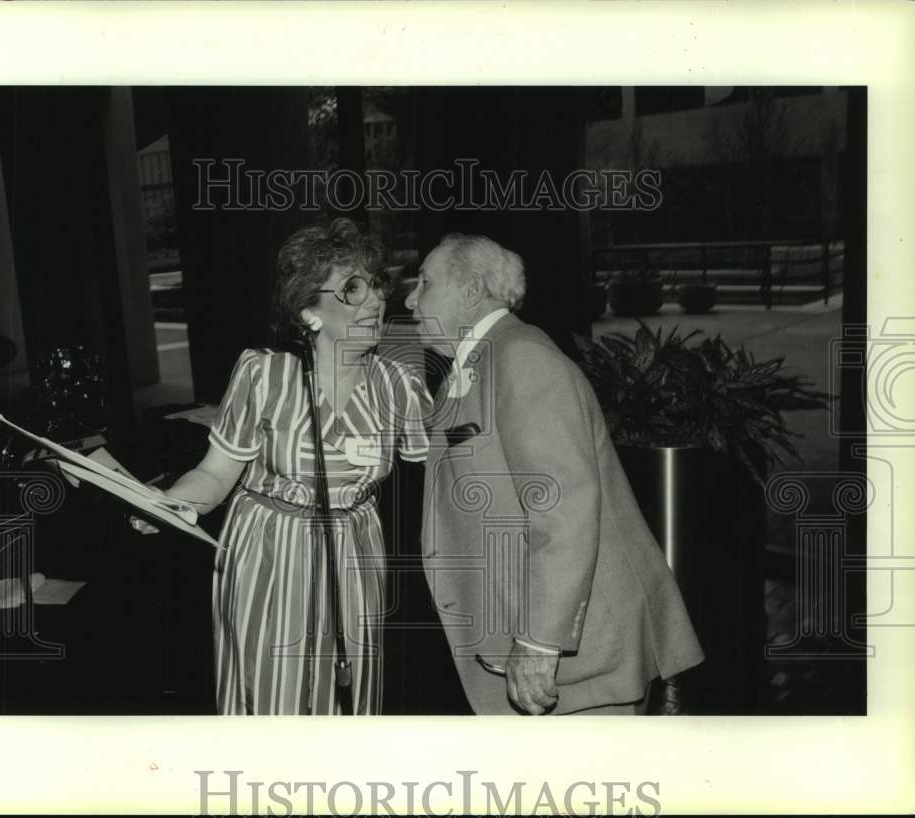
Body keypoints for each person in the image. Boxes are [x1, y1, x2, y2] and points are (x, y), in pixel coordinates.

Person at [136, 218, 431, 715]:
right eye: (352, 289)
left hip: (353, 558)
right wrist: (169, 506)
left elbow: (445, 478)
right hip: (268, 554)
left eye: (377, 284)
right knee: (272, 695)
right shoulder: (264, 375)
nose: (376, 299)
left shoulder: (399, 385)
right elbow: (214, 473)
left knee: (349, 697)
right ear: (309, 312)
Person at [404, 233, 704, 715]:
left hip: (577, 664)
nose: (410, 298)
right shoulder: (482, 364)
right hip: (537, 653)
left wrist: (541, 642)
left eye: (424, 282)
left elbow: (562, 507)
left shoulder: (521, 358)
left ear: (471, 290)